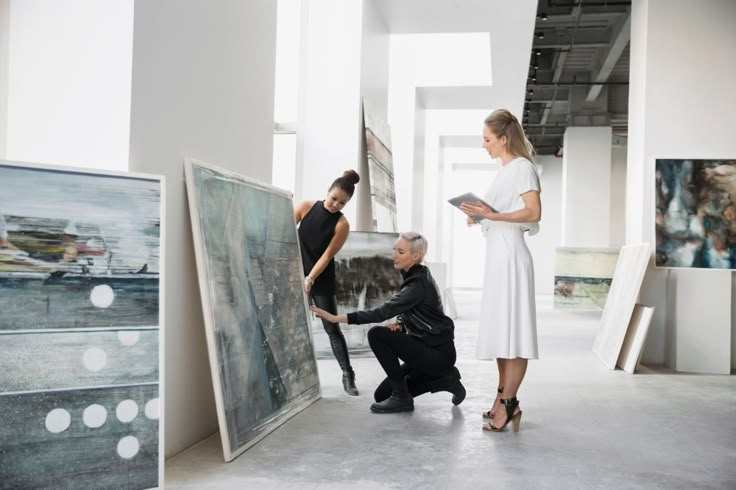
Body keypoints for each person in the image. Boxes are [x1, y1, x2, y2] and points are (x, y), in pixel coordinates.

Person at [311, 232, 465, 414]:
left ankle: (403, 397)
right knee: (382, 396)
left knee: (376, 334)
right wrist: (400, 324)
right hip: (424, 349)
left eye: (400, 252)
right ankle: (447, 379)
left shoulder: (417, 284)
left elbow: (382, 312)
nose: (394, 255)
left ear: (415, 256)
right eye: (394, 250)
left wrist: (337, 318)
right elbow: (411, 309)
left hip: (436, 354)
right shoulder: (413, 275)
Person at [459, 109, 541, 432]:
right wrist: (481, 215)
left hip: (511, 258)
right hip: (497, 258)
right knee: (500, 333)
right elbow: (501, 212)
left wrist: (492, 216)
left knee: (515, 334)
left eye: (487, 139)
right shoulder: (504, 171)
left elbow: (533, 212)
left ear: (504, 139)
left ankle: (509, 404)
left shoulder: (523, 168)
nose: (484, 145)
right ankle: (503, 398)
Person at [295, 170, 361, 396]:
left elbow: (326, 256)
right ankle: (297, 377)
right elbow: (282, 232)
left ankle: (348, 375)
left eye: (342, 203)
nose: (335, 205)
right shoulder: (305, 207)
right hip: (295, 273)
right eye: (334, 198)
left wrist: (310, 278)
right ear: (328, 191)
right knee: (293, 327)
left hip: (321, 278)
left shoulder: (342, 224)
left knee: (331, 327)